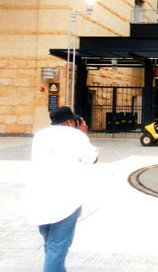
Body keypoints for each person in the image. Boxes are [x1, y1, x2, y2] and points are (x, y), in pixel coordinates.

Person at [27, 106, 99, 272]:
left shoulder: (40, 135)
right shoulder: (76, 136)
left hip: (39, 200)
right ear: (70, 121)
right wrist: (84, 134)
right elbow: (93, 158)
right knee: (56, 251)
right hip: (66, 202)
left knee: (50, 247)